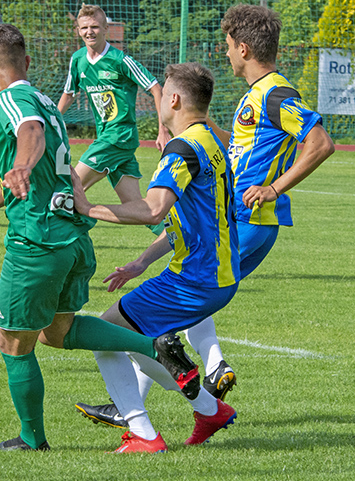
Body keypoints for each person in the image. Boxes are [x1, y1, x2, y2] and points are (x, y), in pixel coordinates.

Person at [0, 23, 193, 452]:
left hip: (37, 243)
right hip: (72, 239)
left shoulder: (16, 100)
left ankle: (32, 439)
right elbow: (10, 180)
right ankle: (155, 345)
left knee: (13, 343)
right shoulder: (44, 100)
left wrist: (20, 162)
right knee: (59, 332)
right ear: (29, 62)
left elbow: (29, 135)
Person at [75, 4, 335, 428]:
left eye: (229, 45)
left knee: (174, 302)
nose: (226, 52)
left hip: (248, 219)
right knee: (169, 308)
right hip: (236, 217)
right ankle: (169, 390)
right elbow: (245, 147)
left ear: (244, 48)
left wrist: (272, 188)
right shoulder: (255, 97)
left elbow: (320, 142)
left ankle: (178, 388)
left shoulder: (275, 93)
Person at [69, 62, 239, 452]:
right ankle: (205, 405)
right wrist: (142, 262)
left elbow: (152, 209)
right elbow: (190, 220)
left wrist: (87, 206)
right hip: (217, 275)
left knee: (105, 333)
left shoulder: (183, 148)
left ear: (174, 99)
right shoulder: (211, 141)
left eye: (163, 95)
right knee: (132, 334)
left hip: (195, 278)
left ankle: (147, 431)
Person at [57, 4, 171, 236]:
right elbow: (69, 94)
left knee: (71, 185)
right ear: (78, 30)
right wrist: (52, 123)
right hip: (109, 139)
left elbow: (156, 88)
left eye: (95, 27)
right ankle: (184, 238)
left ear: (106, 29)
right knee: (142, 211)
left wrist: (163, 129)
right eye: (84, 28)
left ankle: (61, 239)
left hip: (119, 136)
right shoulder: (77, 60)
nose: (90, 32)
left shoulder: (121, 61)